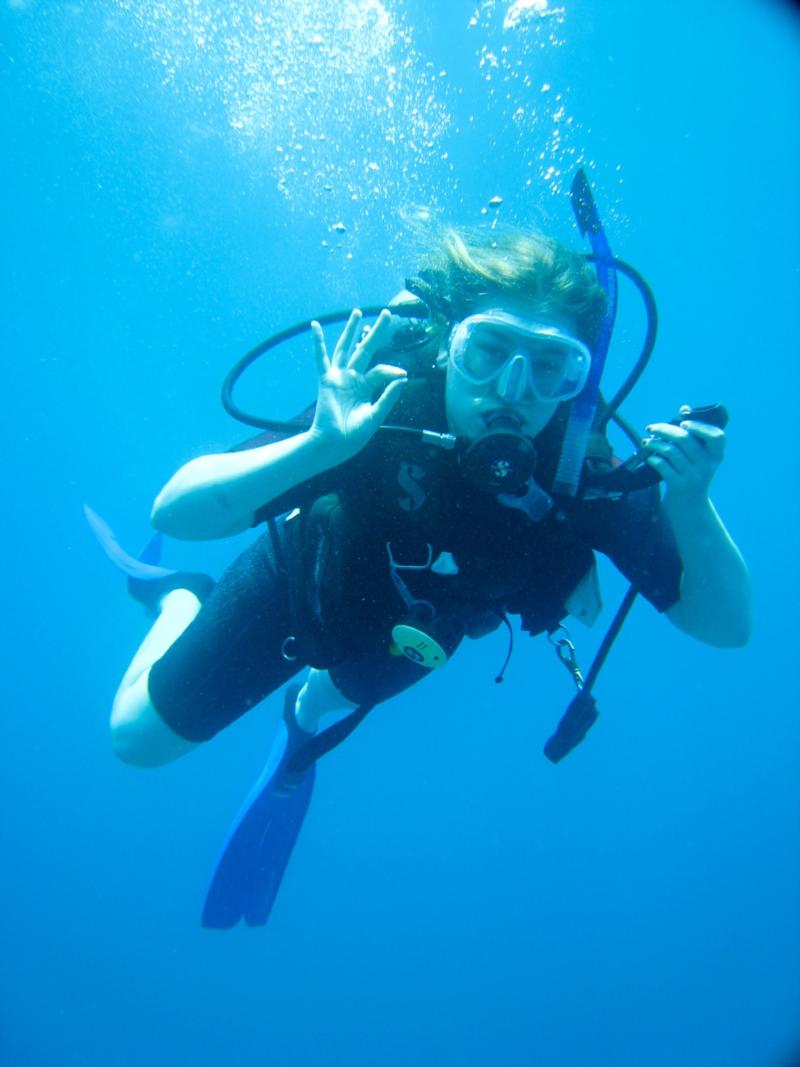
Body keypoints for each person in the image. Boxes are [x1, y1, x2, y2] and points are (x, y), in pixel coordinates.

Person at [100, 221, 751, 927]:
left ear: (579, 378)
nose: (513, 388)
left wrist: (690, 503)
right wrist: (318, 448)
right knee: (136, 739)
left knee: (326, 700)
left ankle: (306, 712)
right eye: (488, 350)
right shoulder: (387, 401)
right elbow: (178, 510)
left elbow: (725, 626)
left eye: (550, 366)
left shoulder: (578, 468)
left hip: (419, 636)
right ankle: (181, 602)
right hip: (304, 581)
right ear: (449, 344)